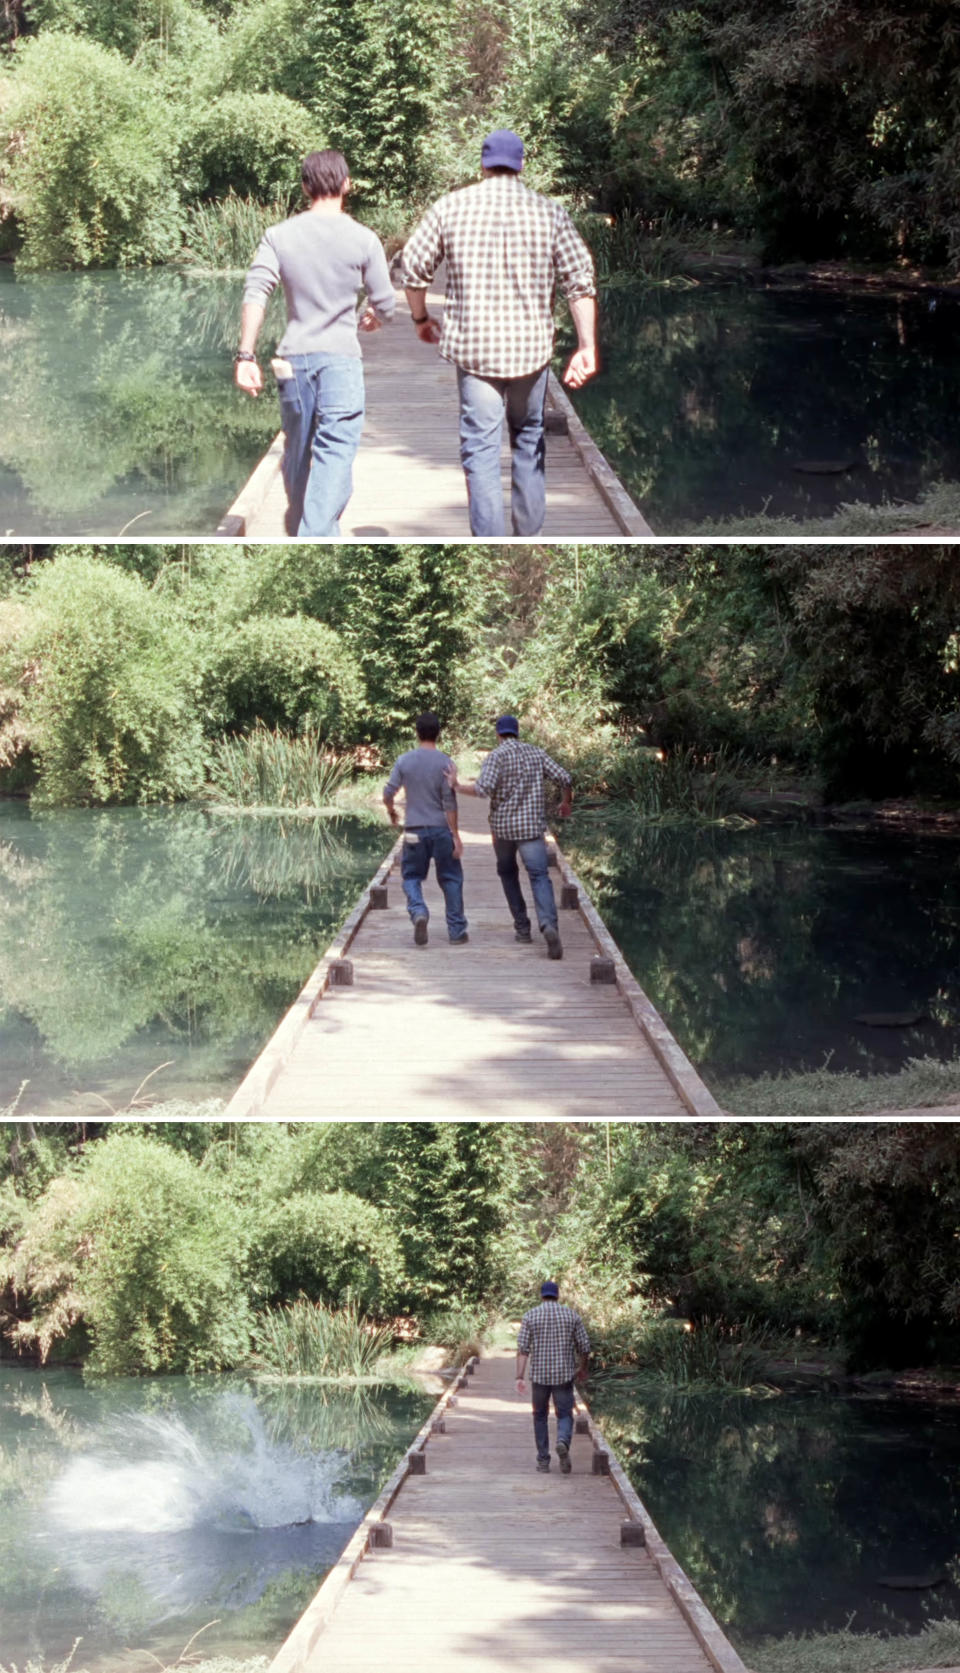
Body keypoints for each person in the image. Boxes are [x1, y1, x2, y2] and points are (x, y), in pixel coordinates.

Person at [400, 129, 599, 537]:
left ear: (483, 165)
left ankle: (488, 542)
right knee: (529, 439)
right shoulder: (550, 212)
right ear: (522, 165)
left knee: (481, 450)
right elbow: (580, 281)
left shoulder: (450, 208)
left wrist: (421, 319)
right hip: (531, 353)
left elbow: (412, 270)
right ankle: (528, 536)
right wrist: (587, 346)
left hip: (475, 355)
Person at [235, 149, 396, 537]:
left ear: (305, 187)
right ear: (347, 185)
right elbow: (387, 302)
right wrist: (374, 317)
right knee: (335, 452)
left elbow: (256, 292)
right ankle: (315, 533)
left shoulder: (278, 236)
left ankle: (303, 526)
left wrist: (245, 355)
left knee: (299, 448)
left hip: (293, 362)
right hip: (341, 358)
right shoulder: (364, 239)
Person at [451, 715, 572, 959]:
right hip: (531, 830)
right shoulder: (536, 753)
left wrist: (456, 786)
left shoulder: (495, 756)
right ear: (517, 732)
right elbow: (565, 778)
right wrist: (565, 802)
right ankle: (549, 926)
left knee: (508, 874)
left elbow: (482, 790)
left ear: (498, 734)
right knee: (539, 876)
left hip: (503, 830)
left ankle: (523, 929)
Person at [383, 713, 468, 947]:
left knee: (411, 876)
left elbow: (389, 792)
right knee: (451, 878)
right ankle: (457, 931)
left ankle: (419, 911)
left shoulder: (404, 761)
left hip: (413, 830)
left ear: (417, 732)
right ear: (438, 733)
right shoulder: (446, 763)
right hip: (441, 830)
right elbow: (450, 804)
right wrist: (456, 836)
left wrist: (392, 812)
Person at [516, 1280, 590, 1474]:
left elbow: (522, 1350)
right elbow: (585, 1347)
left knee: (539, 1416)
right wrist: (582, 1368)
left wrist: (519, 1376)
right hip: (563, 1376)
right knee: (565, 1414)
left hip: (539, 1377)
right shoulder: (571, 1315)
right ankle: (562, 1441)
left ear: (542, 1295)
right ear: (558, 1295)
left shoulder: (530, 1316)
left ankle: (543, 1461)